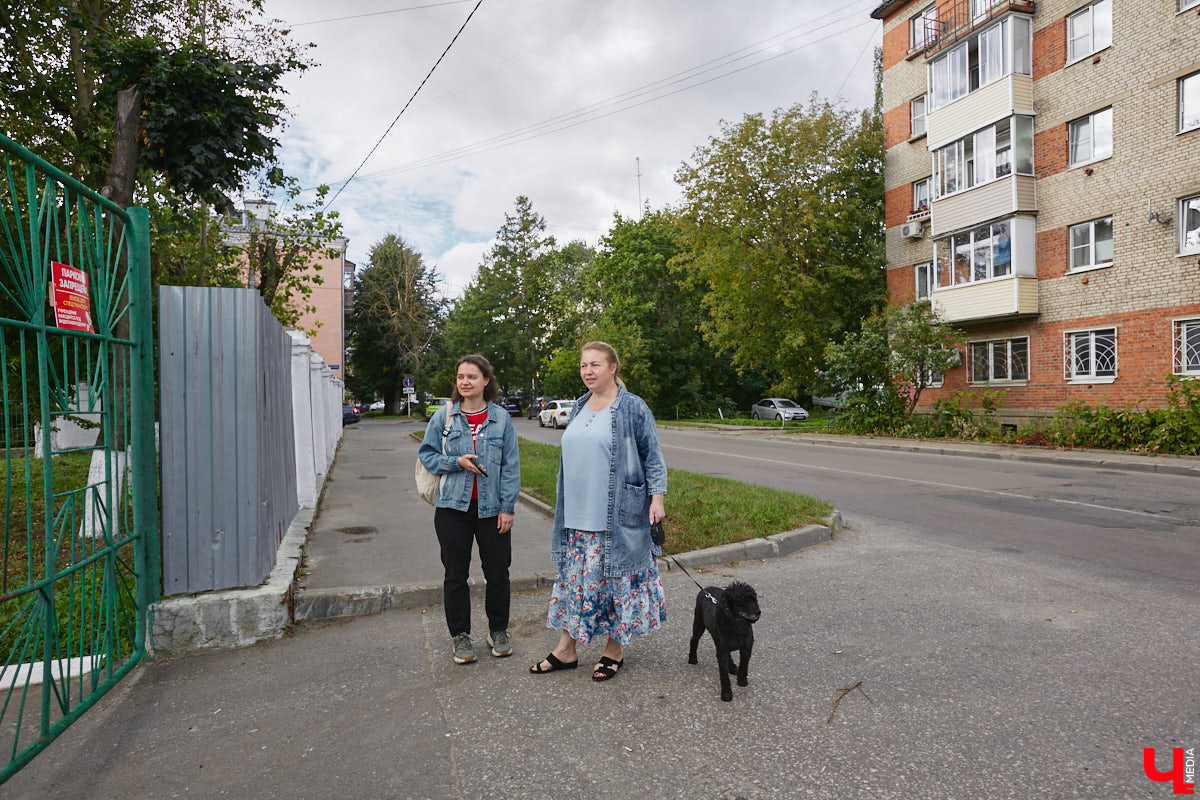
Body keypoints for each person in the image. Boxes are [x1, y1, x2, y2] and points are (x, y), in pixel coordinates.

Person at [530, 341, 667, 681]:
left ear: (613, 367)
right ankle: (566, 649)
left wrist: (657, 499)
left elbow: (653, 457)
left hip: (617, 517)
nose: (588, 371)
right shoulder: (578, 406)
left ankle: (613, 650)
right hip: (575, 517)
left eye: (595, 365)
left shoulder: (632, 407)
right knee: (578, 585)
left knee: (615, 585)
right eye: (583, 366)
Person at [418, 354, 520, 665]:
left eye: (472, 377)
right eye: (461, 376)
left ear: (486, 381)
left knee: (498, 573)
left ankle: (497, 631)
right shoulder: (444, 416)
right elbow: (427, 455)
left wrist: (508, 507)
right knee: (455, 574)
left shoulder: (501, 418)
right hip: (452, 509)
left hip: (492, 511)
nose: (465, 382)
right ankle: (460, 636)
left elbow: (510, 466)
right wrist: (455, 462)